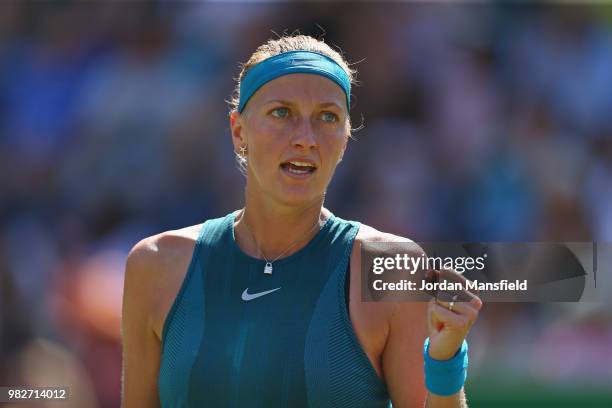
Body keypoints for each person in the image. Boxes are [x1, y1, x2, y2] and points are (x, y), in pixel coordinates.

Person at [121, 34, 482, 408]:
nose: (306, 138)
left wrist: (444, 361)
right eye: (282, 113)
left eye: (327, 118)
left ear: (344, 140)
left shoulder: (392, 269)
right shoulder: (155, 264)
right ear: (239, 131)